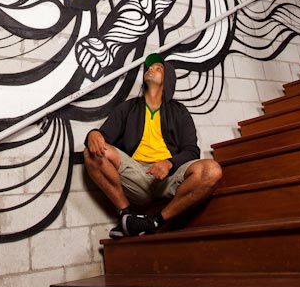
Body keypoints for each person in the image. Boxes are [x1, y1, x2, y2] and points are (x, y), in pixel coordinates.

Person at [83, 53, 223, 237]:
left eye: (158, 68)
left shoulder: (179, 111)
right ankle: (127, 215)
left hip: (170, 177)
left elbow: (191, 151)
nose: (151, 69)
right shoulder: (129, 107)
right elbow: (104, 136)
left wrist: (169, 163)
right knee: (92, 152)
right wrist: (93, 134)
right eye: (149, 67)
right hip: (137, 175)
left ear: (168, 79)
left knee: (212, 170)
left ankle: (154, 221)